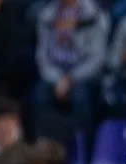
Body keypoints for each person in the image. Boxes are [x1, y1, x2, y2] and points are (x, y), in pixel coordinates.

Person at [35, 0, 109, 137]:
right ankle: (41, 144)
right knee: (37, 97)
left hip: (83, 75)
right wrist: (58, 79)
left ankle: (81, 145)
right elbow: (42, 56)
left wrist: (70, 78)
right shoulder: (47, 15)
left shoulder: (94, 15)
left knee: (81, 97)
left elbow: (97, 58)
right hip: (53, 75)